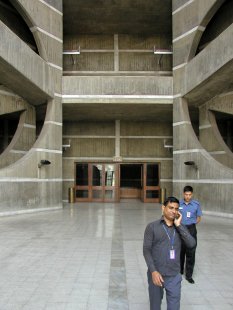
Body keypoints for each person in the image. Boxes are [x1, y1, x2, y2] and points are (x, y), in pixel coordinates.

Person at [143, 196, 196, 310]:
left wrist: (179, 225)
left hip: (174, 275)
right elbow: (146, 250)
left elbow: (192, 244)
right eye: (171, 208)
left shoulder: (180, 228)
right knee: (155, 306)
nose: (174, 211)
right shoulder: (152, 227)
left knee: (174, 307)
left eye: (176, 209)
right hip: (157, 275)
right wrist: (153, 271)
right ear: (163, 208)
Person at [179, 185, 202, 284]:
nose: (188, 196)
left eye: (189, 194)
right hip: (180, 228)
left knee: (191, 252)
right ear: (183, 194)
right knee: (180, 251)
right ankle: (179, 271)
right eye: (186, 194)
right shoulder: (179, 203)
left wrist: (192, 223)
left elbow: (199, 217)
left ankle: (189, 275)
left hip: (191, 229)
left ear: (192, 194)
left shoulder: (196, 204)